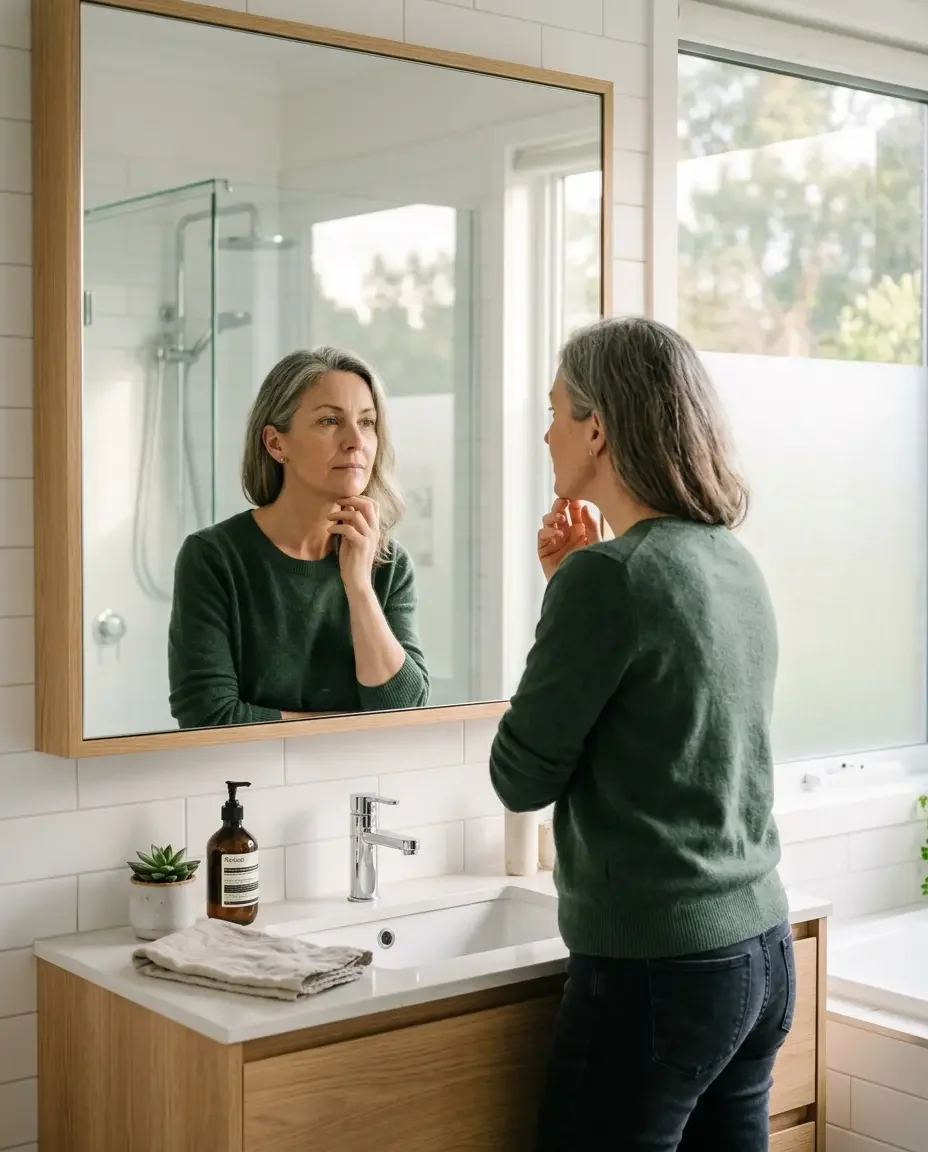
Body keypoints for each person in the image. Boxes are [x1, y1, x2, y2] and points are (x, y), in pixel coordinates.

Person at [489, 317, 792, 1151]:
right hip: (761, 951)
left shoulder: (609, 578)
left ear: (597, 429)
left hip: (660, 971)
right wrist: (573, 587)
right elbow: (669, 731)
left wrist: (567, 594)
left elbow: (521, 776)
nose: (546, 433)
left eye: (556, 411)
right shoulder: (729, 559)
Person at [168, 347, 429, 728]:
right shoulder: (213, 558)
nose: (355, 441)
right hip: (254, 769)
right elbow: (209, 717)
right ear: (276, 444)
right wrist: (350, 725)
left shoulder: (389, 563)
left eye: (367, 422)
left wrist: (359, 586)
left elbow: (406, 713)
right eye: (330, 420)